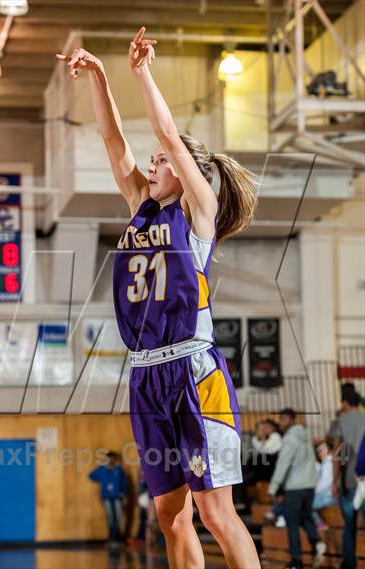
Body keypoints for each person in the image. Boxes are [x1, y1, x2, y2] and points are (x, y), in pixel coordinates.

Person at [57, 26, 260, 569]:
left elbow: (169, 134)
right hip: (146, 373)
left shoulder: (198, 214)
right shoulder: (140, 207)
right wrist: (100, 77)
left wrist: (141, 72)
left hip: (194, 370)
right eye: (152, 162)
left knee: (217, 512)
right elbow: (112, 140)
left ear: (187, 171)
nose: (153, 166)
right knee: (169, 515)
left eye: (162, 162)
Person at [268, 409, 326, 569]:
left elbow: (283, 464)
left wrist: (273, 487)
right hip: (310, 484)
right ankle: (316, 542)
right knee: (305, 516)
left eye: (283, 419)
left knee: (292, 523)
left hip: (295, 486)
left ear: (290, 420)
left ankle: (296, 560)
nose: (280, 423)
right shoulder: (305, 435)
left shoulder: (289, 438)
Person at [330, 388, 365, 569]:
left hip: (350, 481)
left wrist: (334, 481)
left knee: (349, 526)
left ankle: (349, 563)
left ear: (344, 402)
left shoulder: (340, 422)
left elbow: (338, 455)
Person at [89, 451, 129, 543]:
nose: (111, 460)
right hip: (107, 497)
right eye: (109, 458)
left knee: (119, 517)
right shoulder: (103, 469)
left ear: (115, 459)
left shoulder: (118, 470)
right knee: (110, 517)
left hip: (118, 497)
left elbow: (124, 483)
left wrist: (125, 494)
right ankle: (112, 538)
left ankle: (118, 537)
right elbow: (91, 476)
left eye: (112, 458)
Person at [312, 441, 337, 530]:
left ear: (329, 450)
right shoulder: (324, 463)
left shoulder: (329, 462)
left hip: (328, 496)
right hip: (324, 495)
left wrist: (313, 491)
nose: (319, 452)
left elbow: (325, 484)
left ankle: (320, 524)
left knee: (306, 504)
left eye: (321, 450)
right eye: (318, 450)